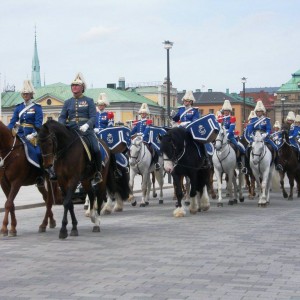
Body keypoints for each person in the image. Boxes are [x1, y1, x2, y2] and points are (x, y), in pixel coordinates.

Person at [57, 72, 102, 183]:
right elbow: (62, 117)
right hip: (71, 130)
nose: (74, 87)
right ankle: (56, 171)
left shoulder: (89, 100)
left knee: (96, 149)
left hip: (86, 130)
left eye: (77, 85)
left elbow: (93, 117)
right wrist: (62, 125)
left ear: (82, 88)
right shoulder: (67, 102)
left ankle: (98, 172)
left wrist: (87, 125)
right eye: (73, 85)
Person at [7, 79, 44, 186]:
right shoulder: (18, 107)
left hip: (32, 136)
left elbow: (38, 123)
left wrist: (33, 134)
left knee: (38, 153)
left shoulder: (37, 107)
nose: (25, 95)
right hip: (20, 135)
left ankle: (40, 175)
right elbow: (12, 122)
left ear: (31, 94)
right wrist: (6, 130)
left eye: (27, 93)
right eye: (23, 93)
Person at [171, 90, 210, 167]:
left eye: (187, 101)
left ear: (191, 102)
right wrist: (173, 116)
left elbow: (195, 120)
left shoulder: (194, 110)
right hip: (181, 130)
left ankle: (205, 158)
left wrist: (185, 123)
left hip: (190, 130)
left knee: (200, 142)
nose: (185, 102)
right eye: (185, 101)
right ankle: (173, 158)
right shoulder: (181, 109)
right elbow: (176, 119)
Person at [247, 100, 283, 171]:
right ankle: (247, 167)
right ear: (256, 112)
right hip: (255, 138)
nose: (259, 113)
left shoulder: (267, 120)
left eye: (260, 111)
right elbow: (250, 130)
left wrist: (266, 134)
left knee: (275, 147)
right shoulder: (253, 120)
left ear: (263, 112)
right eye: (257, 111)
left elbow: (268, 129)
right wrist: (252, 136)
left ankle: (277, 164)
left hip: (265, 137)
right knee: (247, 149)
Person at [93, 92, 122, 178]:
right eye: (99, 104)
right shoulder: (95, 114)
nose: (100, 106)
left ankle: (115, 169)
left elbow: (110, 126)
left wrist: (100, 130)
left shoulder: (109, 114)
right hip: (95, 135)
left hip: (105, 136)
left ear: (105, 105)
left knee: (110, 150)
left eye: (102, 105)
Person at [218, 99, 247, 173]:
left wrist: (227, 134)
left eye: (227, 110)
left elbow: (231, 128)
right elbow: (218, 127)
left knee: (238, 146)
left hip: (230, 136)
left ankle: (239, 161)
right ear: (223, 111)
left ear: (229, 111)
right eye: (225, 110)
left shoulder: (232, 118)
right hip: (221, 136)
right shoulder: (220, 118)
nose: (226, 112)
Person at [131, 103, 160, 170]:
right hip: (137, 138)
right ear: (140, 114)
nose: (143, 114)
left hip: (146, 139)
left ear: (146, 114)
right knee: (131, 148)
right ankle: (130, 161)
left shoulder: (148, 121)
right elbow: (134, 130)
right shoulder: (138, 122)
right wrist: (129, 134)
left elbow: (147, 129)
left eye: (144, 113)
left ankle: (156, 163)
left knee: (153, 148)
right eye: (142, 113)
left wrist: (142, 136)